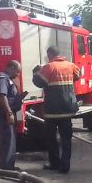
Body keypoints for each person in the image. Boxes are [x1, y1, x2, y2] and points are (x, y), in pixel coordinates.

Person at [33, 46, 81, 174]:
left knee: (51, 138)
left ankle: (54, 163)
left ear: (49, 55)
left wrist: (36, 72)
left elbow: (39, 83)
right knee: (66, 139)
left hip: (52, 110)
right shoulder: (71, 66)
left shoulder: (49, 67)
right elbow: (78, 76)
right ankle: (65, 166)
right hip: (68, 108)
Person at [0, 60, 26, 171]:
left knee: (10, 140)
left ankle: (9, 165)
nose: (18, 74)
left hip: (6, 114)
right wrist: (9, 113)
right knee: (7, 140)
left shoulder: (8, 79)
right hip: (3, 115)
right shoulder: (2, 78)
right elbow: (2, 96)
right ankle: (6, 166)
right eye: (17, 71)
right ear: (10, 67)